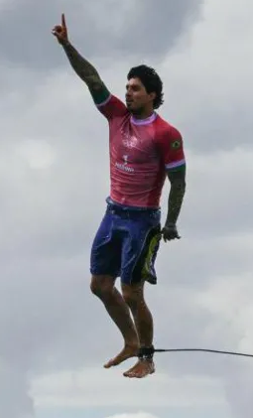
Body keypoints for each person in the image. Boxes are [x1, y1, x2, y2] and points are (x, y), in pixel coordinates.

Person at [52, 13, 187, 379]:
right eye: (127, 87)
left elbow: (179, 181)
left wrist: (171, 222)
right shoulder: (116, 115)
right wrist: (67, 46)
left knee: (131, 292)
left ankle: (147, 356)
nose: (128, 93)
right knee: (99, 285)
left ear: (153, 95)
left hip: (142, 221)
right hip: (113, 213)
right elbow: (91, 77)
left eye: (136, 89)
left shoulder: (165, 133)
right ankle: (129, 341)